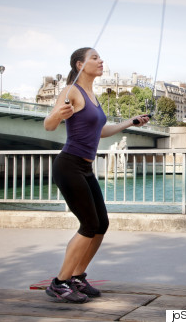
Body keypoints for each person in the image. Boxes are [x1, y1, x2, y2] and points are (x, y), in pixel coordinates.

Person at [43, 47, 150, 303]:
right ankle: (59, 283)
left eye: (100, 57)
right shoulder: (71, 91)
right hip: (68, 165)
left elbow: (99, 131)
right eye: (94, 58)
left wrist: (129, 123)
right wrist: (57, 114)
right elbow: (49, 125)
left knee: (101, 224)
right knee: (88, 225)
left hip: (85, 168)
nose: (101, 61)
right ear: (80, 64)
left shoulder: (92, 95)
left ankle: (77, 277)